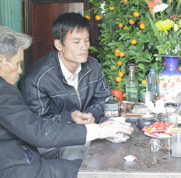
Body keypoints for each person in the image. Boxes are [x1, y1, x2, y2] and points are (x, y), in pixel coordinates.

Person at [0, 27, 133, 178]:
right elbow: (38, 133)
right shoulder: (0, 90)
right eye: (17, 64)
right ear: (1, 61)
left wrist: (68, 118)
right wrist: (97, 130)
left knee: (79, 165)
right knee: (93, 173)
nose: (19, 71)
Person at [18, 12, 113, 160]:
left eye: (86, 40)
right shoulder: (37, 79)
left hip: (87, 133)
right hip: (53, 143)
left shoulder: (93, 66)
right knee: (74, 150)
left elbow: (106, 100)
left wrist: (91, 114)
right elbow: (38, 125)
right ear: (58, 44)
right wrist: (70, 117)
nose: (84, 47)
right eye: (76, 42)